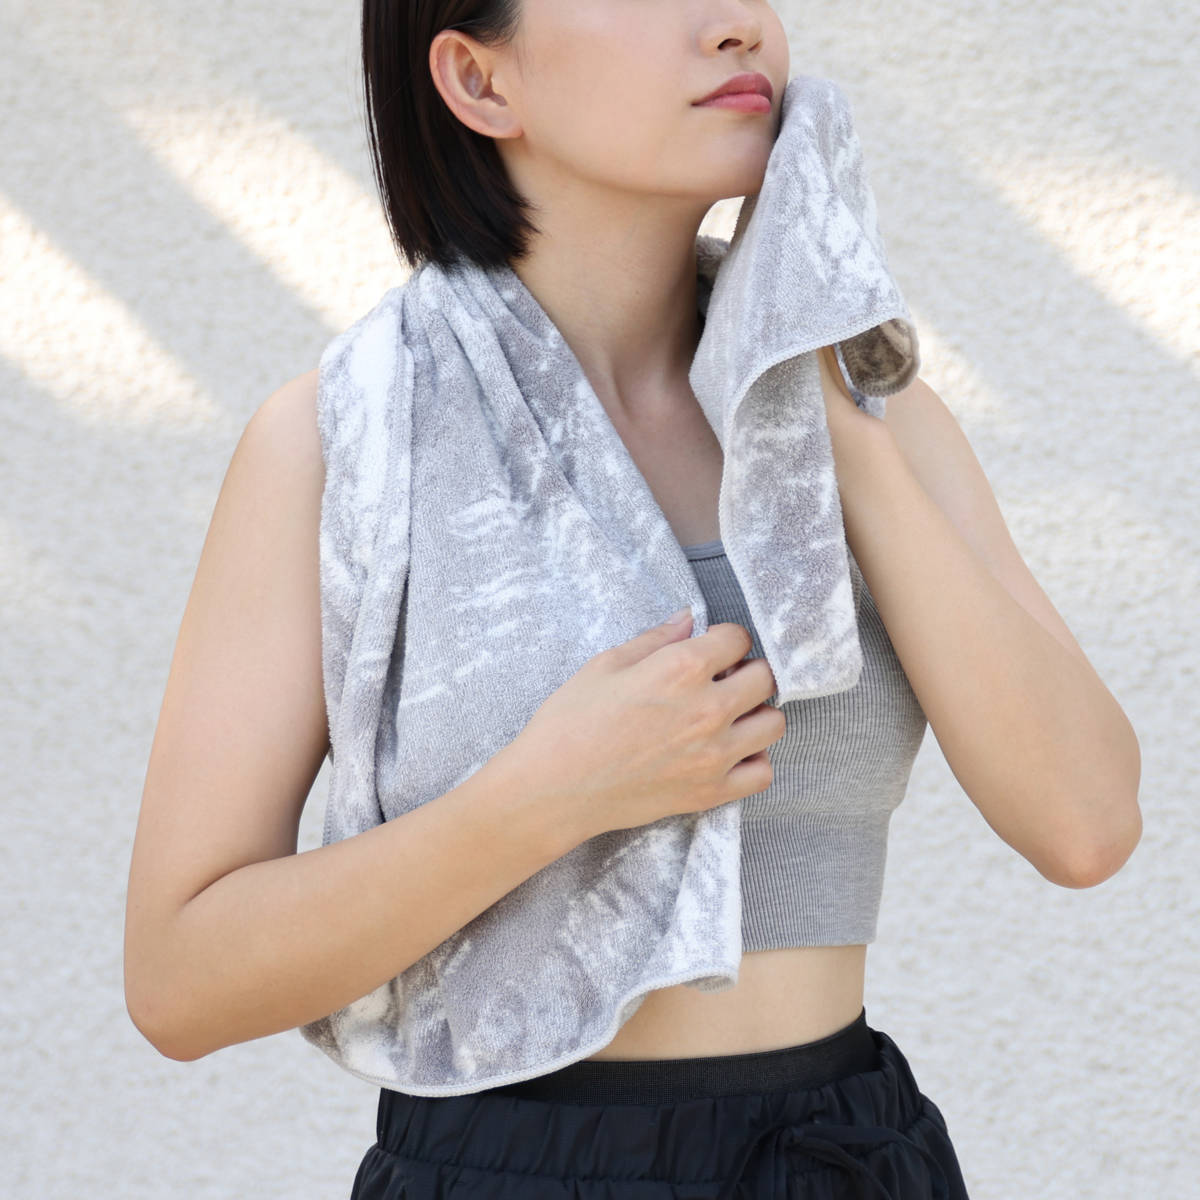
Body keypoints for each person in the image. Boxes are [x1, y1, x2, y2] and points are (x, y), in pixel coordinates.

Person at [123, 1, 1144, 1196]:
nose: (735, 24)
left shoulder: (872, 408)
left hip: (848, 1153)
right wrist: (541, 799)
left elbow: (1084, 825)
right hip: (511, 1171)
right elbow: (180, 980)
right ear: (479, 80)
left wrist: (812, 398)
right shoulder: (342, 441)